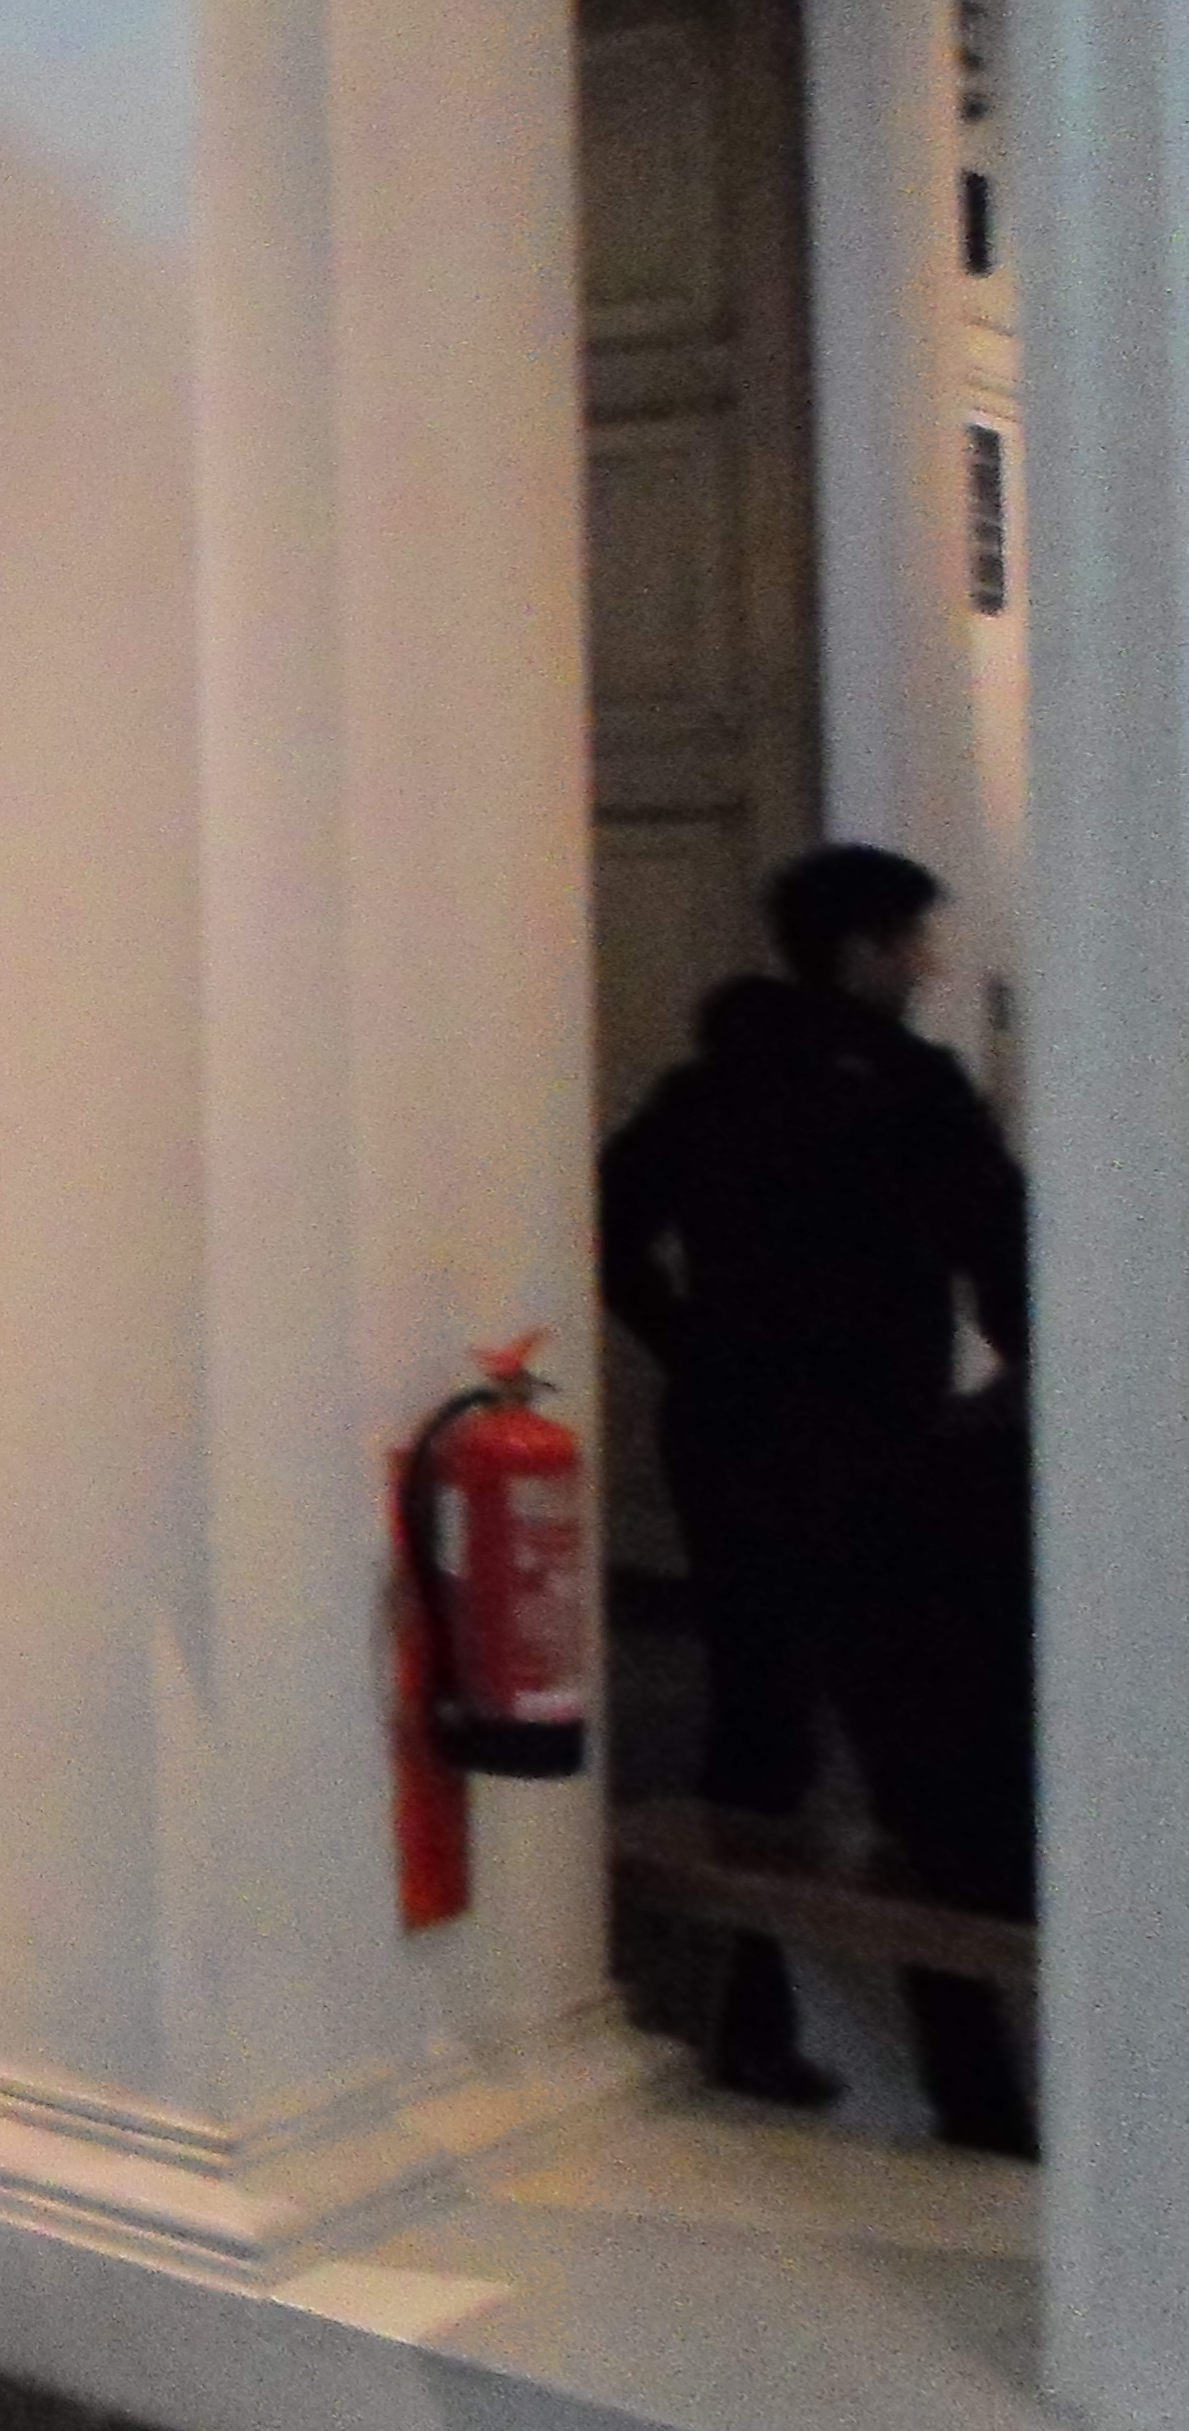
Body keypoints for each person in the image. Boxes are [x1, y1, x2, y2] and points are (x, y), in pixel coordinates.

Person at [598, 839, 1032, 2147]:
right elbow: (1006, 1254)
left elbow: (608, 1224)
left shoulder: (712, 1085)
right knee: (925, 1766)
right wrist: (1017, 1400)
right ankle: (974, 2089)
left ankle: (744, 2032)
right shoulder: (912, 1091)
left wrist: (693, 1349)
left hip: (734, 1441)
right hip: (884, 1456)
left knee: (755, 1732)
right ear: (859, 952)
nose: (929, 963)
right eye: (912, 941)